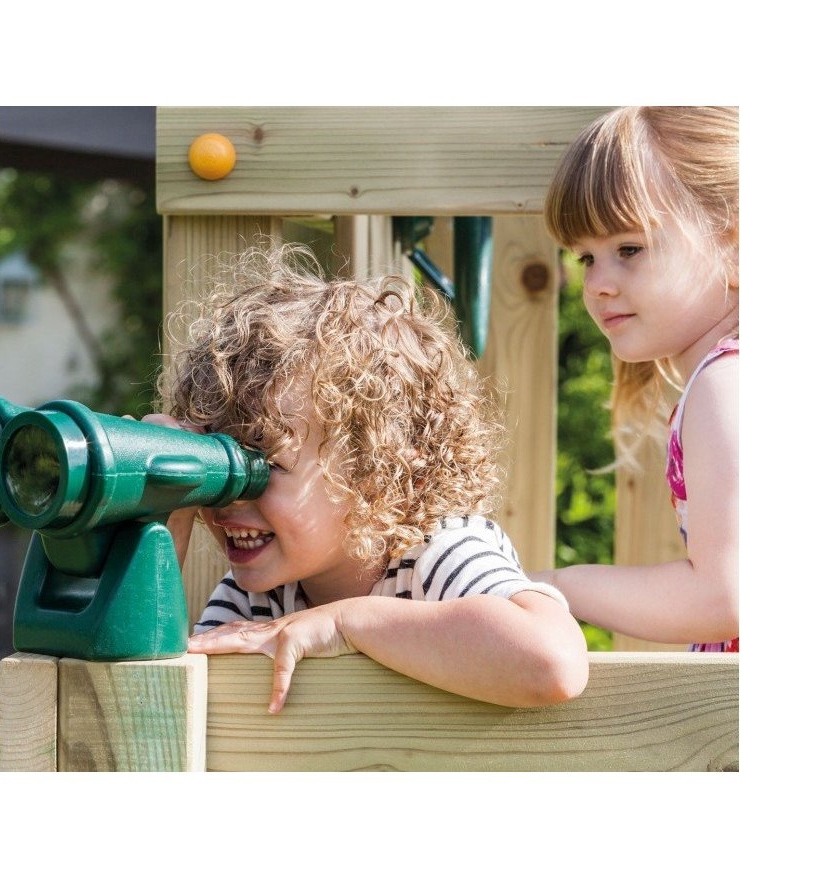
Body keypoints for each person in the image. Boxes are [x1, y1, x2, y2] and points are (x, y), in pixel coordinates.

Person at [146, 243, 589, 714]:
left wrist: (346, 622)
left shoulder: (437, 557)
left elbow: (553, 662)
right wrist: (164, 507)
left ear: (381, 472)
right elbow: (157, 701)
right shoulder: (259, 597)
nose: (230, 495)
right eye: (219, 462)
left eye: (265, 464)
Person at [532, 106, 739, 652]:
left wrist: (552, 586)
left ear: (736, 244)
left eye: (629, 249)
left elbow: (725, 597)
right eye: (585, 259)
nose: (598, 284)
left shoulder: (727, 384)